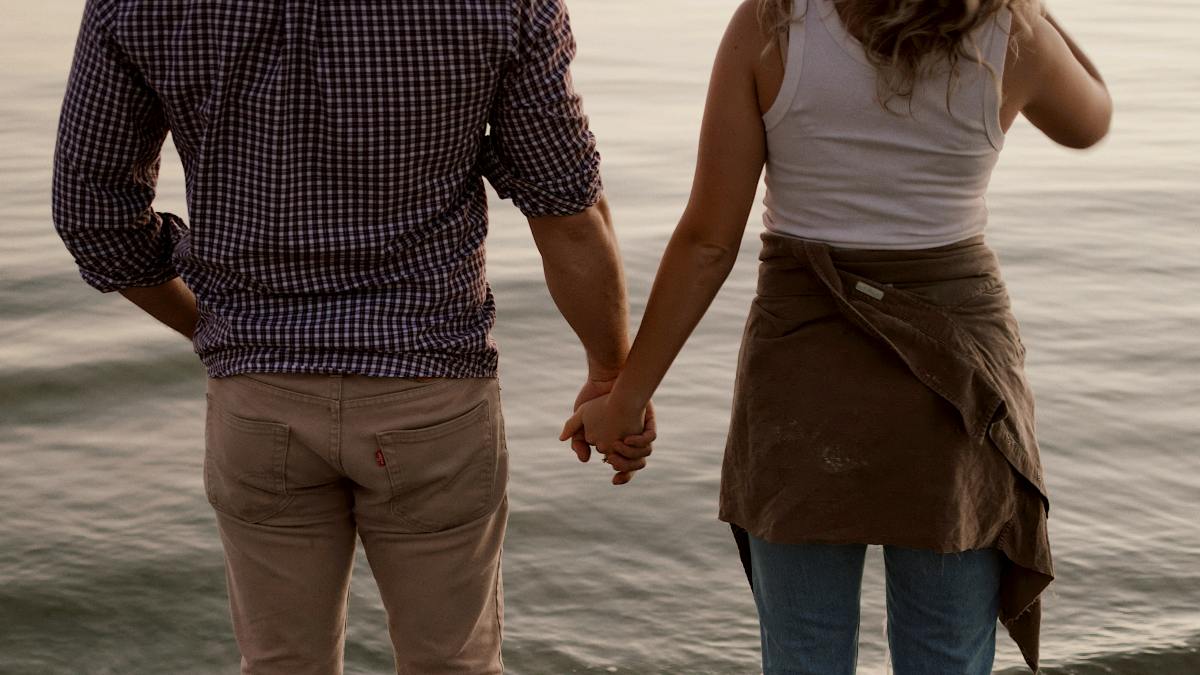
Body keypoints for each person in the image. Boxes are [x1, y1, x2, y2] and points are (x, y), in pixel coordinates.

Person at [51, 0, 653, 672]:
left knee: (281, 664)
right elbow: (567, 209)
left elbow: (93, 217)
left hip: (259, 400)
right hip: (431, 392)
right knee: (454, 663)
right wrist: (611, 375)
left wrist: (223, 331)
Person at [563, 0, 1111, 672]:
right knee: (946, 656)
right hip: (955, 379)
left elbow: (709, 240)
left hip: (802, 372)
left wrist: (627, 395)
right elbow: (1093, 119)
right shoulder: (1011, 31)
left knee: (804, 656)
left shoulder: (771, 26)